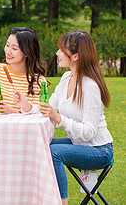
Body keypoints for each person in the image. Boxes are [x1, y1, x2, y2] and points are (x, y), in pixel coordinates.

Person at [39, 30, 113, 205]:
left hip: (99, 150)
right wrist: (23, 106)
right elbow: (50, 106)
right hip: (79, 144)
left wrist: (59, 119)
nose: (57, 53)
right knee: (40, 144)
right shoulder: (66, 77)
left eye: (61, 50)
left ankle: (61, 202)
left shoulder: (91, 86)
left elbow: (89, 132)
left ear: (76, 56)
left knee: (54, 152)